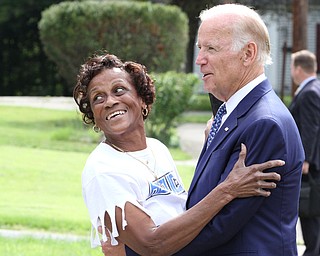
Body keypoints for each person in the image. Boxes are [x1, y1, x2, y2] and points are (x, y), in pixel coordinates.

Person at [73, 52, 284, 256]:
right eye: (98, 98)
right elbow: (152, 244)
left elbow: (184, 211)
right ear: (94, 115)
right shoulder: (103, 170)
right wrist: (228, 190)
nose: (109, 101)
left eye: (119, 90)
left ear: (142, 100)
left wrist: (212, 146)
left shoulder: (157, 149)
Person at [173, 4, 305, 256]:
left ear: (248, 54)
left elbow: (220, 225)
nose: (200, 59)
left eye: (211, 48)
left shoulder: (264, 123)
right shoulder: (234, 112)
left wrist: (150, 248)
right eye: (200, 48)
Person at [289, 49, 320, 256]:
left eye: (293, 67)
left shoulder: (309, 92)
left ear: (299, 69)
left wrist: (305, 160)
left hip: (311, 166)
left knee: (310, 213)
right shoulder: (315, 87)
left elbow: (310, 128)